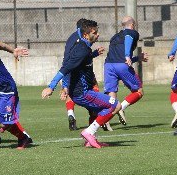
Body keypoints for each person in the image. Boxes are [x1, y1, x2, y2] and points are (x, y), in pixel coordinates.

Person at [42, 20, 121, 149]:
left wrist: (94, 54)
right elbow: (66, 68)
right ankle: (88, 132)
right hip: (82, 93)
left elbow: (80, 62)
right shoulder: (81, 50)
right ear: (85, 35)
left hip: (84, 90)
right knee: (115, 105)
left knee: (96, 112)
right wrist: (52, 86)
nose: (98, 35)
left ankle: (90, 140)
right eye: (94, 33)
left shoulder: (84, 47)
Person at [60, 18, 104, 131]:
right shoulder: (80, 41)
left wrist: (65, 85)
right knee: (93, 94)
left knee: (72, 91)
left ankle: (71, 113)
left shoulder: (73, 38)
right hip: (81, 71)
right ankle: (95, 123)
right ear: (85, 31)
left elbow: (69, 60)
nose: (97, 34)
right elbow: (72, 61)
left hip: (72, 71)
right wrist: (56, 85)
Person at [103, 16, 148, 126]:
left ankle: (105, 120)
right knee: (138, 91)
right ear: (132, 25)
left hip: (108, 65)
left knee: (111, 94)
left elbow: (118, 56)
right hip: (122, 65)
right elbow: (128, 38)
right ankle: (121, 108)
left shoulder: (114, 37)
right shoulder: (132, 33)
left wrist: (137, 58)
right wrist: (128, 56)